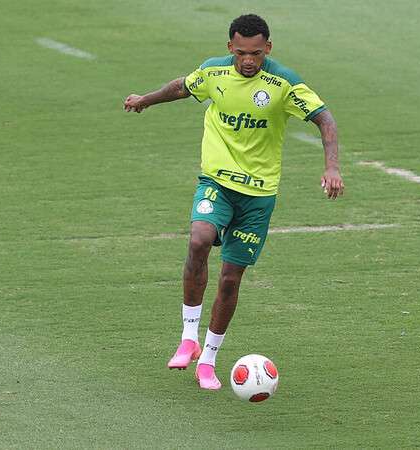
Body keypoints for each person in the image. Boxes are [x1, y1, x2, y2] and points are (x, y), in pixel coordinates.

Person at [124, 14, 344, 389]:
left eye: (256, 54)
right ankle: (188, 337)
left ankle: (207, 361)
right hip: (217, 182)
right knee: (198, 240)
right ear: (230, 48)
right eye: (241, 53)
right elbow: (181, 87)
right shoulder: (214, 72)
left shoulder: (283, 82)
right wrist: (146, 100)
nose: (248, 61)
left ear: (268, 49)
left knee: (230, 279)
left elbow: (324, 119)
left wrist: (332, 168)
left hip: (258, 196)